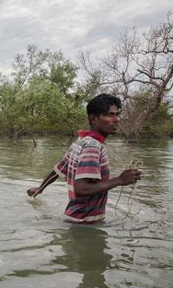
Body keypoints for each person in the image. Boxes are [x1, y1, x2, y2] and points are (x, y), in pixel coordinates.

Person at [27, 94, 142, 223]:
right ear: (93, 119)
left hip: (74, 219)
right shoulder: (92, 146)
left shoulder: (82, 141)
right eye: (109, 115)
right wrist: (119, 180)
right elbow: (81, 189)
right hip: (84, 223)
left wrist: (40, 189)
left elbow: (57, 170)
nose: (116, 119)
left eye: (116, 114)